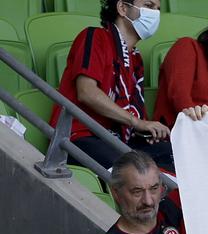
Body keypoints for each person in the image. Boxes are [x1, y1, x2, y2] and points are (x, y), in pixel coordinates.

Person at [50, 0, 174, 172]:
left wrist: (145, 130)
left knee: (173, 155)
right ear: (122, 8)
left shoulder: (135, 59)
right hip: (82, 136)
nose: (155, 14)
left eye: (158, 9)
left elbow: (134, 115)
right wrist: (136, 122)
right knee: (135, 170)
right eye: (149, 6)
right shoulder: (94, 37)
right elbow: (86, 92)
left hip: (119, 140)